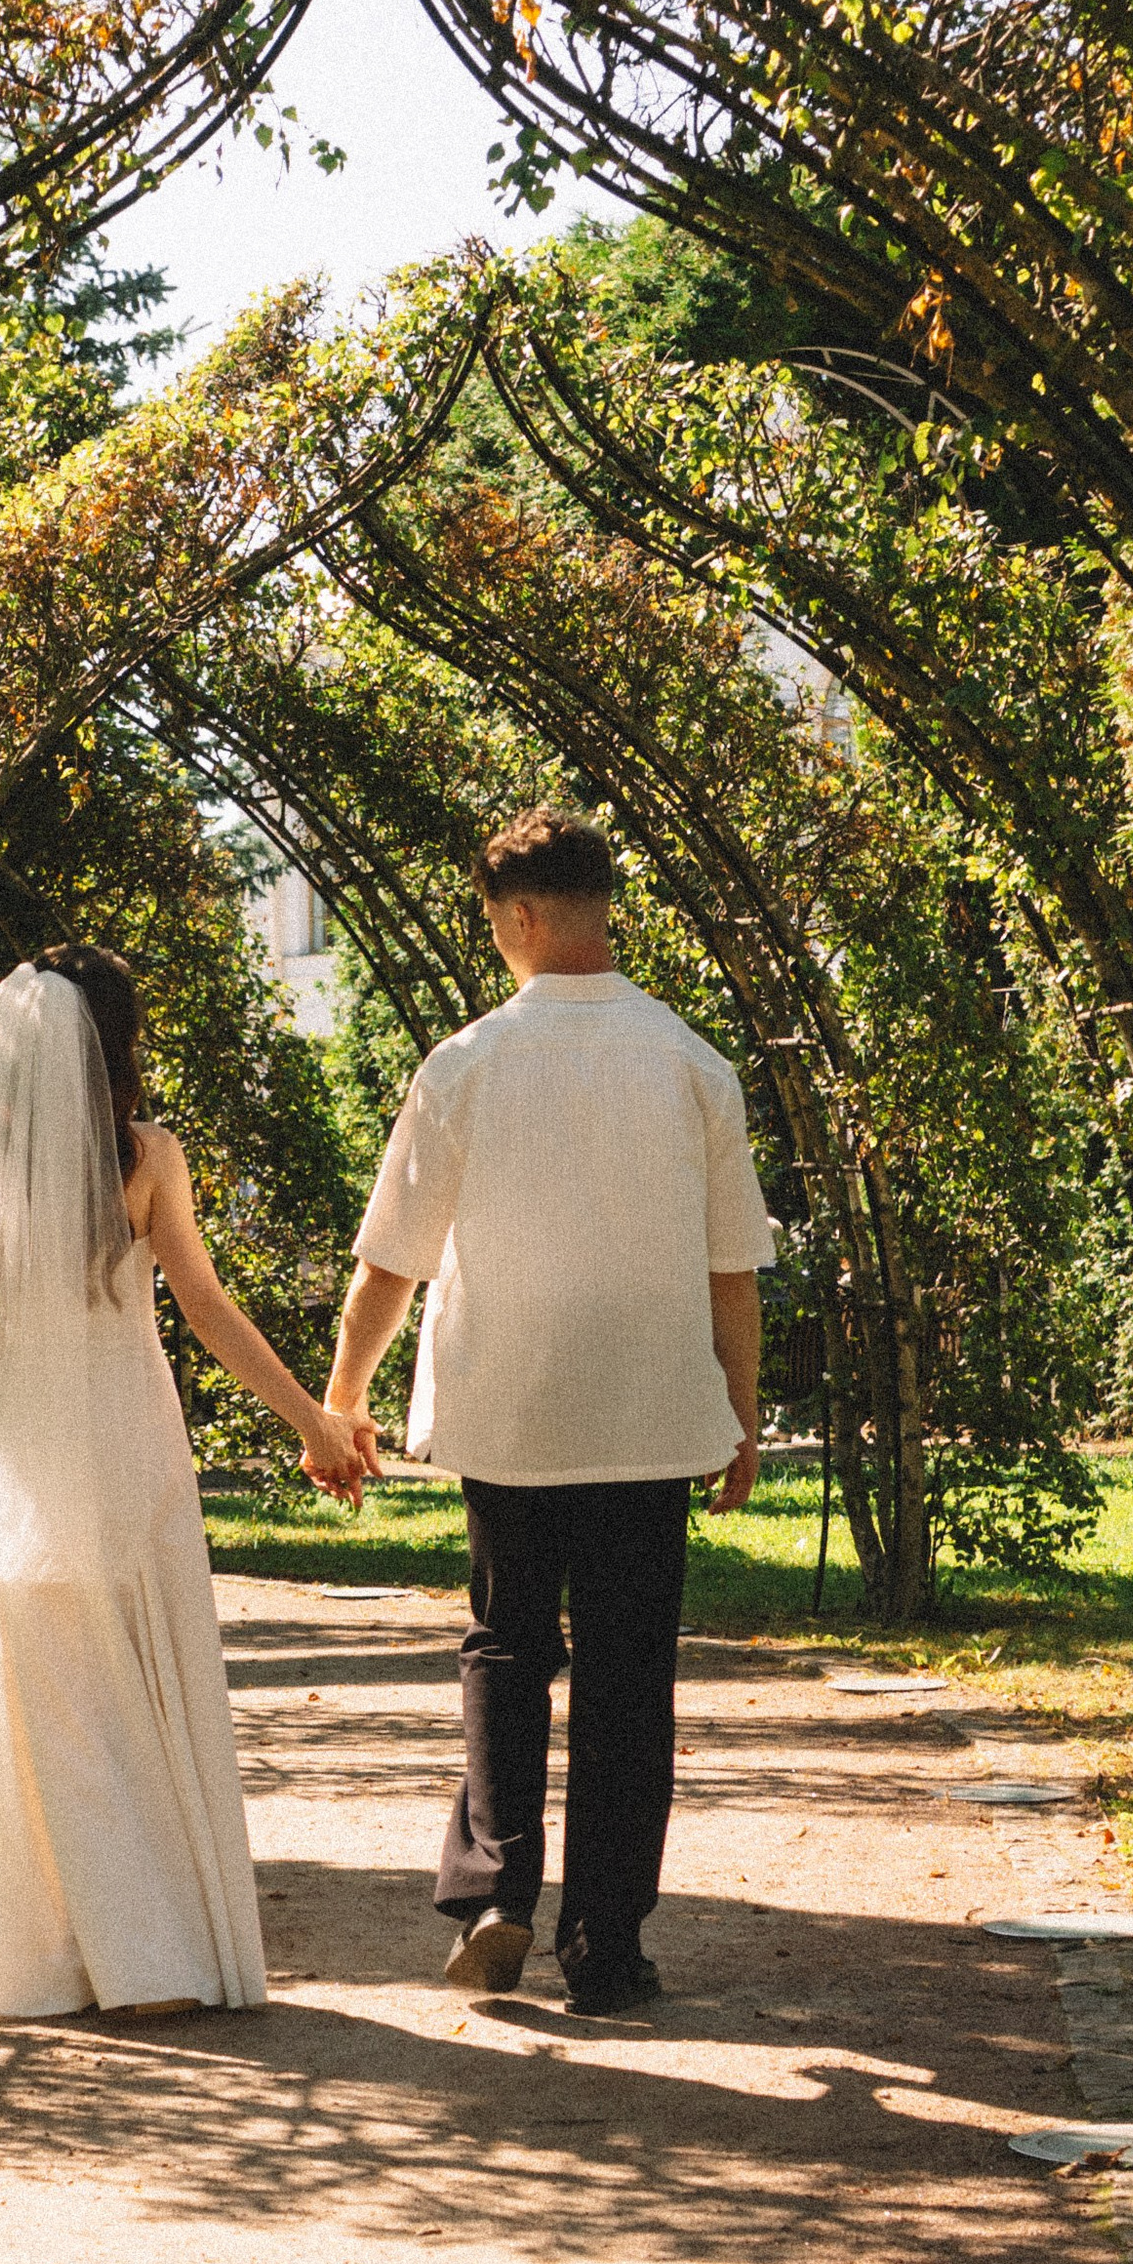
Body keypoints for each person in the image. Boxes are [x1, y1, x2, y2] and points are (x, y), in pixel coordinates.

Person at [318, 806, 773, 2016]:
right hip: (648, 1412)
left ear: (517, 919)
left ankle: (496, 1893)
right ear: (599, 906)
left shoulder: (464, 1063)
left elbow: (390, 1264)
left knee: (506, 1647)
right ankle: (607, 1946)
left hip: (508, 1412)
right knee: (630, 1676)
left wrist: (342, 1401)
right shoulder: (692, 1063)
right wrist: (742, 1410)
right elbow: (734, 1268)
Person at [0, 944, 367, 2020]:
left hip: (18, 1441)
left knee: (39, 1690)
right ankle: (153, 1952)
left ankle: (50, 1957)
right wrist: (314, 1421)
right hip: (125, 1433)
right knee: (134, 1683)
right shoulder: (148, 1153)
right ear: (117, 1043)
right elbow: (203, 1307)